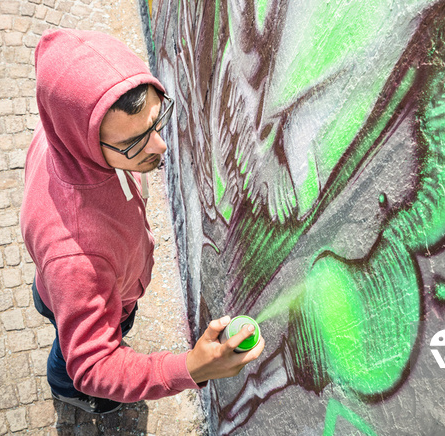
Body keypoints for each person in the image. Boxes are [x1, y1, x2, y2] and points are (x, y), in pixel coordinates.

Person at [20, 29, 265, 414]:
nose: (160, 146)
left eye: (156, 121)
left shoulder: (59, 137)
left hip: (78, 290)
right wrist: (192, 366)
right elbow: (93, 364)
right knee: (67, 359)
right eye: (134, 142)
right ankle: (63, 388)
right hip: (79, 295)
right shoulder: (76, 258)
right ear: (81, 137)